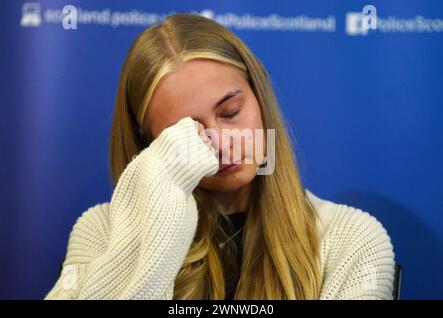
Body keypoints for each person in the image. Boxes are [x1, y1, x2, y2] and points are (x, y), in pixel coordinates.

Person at [45, 14, 395, 300]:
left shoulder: (350, 239)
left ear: (260, 100)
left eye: (230, 113)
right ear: (150, 143)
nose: (222, 142)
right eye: (188, 131)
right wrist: (155, 222)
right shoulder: (103, 232)